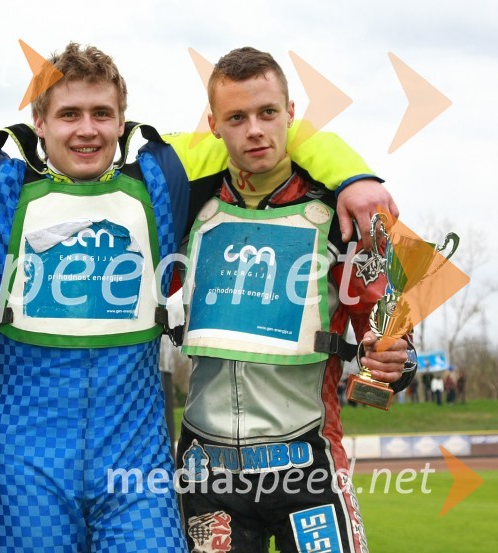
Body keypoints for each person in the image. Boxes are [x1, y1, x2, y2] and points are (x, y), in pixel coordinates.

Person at [0, 44, 398, 552]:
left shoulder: (166, 170)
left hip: (134, 456)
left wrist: (358, 177)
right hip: (27, 460)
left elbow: (278, 135)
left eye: (101, 114)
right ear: (40, 122)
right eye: (70, 114)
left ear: (122, 118)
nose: (87, 129)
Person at [174, 47, 417, 553]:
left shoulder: (345, 209)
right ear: (214, 126)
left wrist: (391, 365)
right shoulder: (183, 203)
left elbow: (394, 344)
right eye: (237, 118)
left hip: (308, 462)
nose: (255, 130)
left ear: (291, 114)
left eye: (267, 113)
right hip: (205, 469)